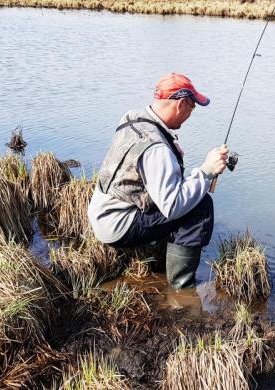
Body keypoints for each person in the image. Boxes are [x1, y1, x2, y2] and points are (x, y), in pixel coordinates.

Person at [87, 73, 228, 290]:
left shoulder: (133, 118)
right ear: (181, 104)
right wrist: (206, 171)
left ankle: (160, 256)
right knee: (201, 206)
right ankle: (182, 287)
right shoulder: (156, 149)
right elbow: (172, 206)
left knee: (186, 194)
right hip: (117, 225)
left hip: (101, 212)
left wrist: (170, 148)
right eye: (192, 107)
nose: (191, 114)